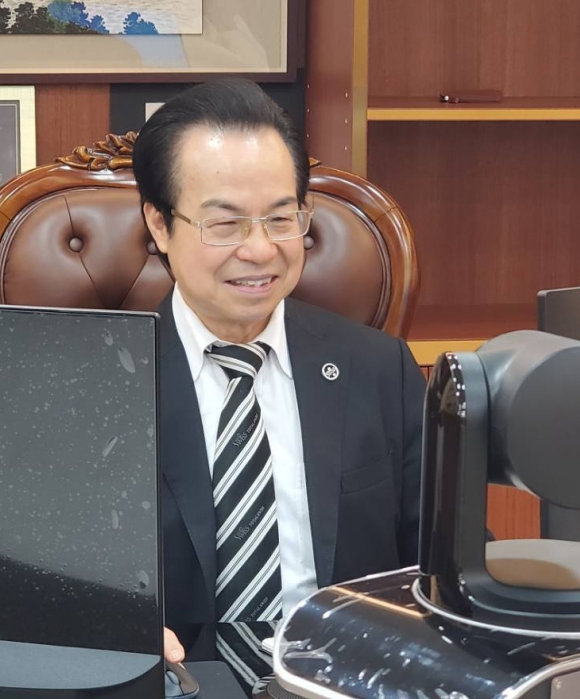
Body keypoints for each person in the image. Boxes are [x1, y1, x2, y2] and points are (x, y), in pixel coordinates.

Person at [132, 79, 425, 693]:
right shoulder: (100, 384)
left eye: (280, 218)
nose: (261, 250)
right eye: (226, 224)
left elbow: (447, 564)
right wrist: (107, 633)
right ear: (159, 225)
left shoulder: (381, 369)